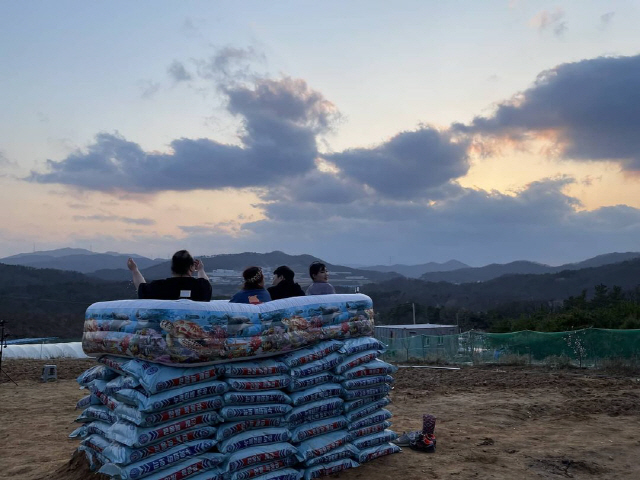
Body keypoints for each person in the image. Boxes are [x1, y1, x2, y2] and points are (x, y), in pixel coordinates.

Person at [127, 250, 212, 301]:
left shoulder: (159, 286)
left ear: (173, 268)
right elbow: (206, 283)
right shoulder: (201, 287)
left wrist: (134, 270)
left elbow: (141, 288)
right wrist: (200, 270)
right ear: (191, 267)